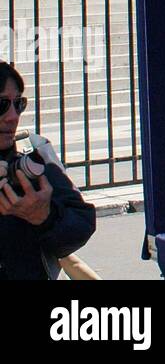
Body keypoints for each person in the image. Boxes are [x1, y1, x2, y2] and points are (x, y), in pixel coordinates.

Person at [0, 63, 95, 280]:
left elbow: (82, 224)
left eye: (18, 104)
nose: (12, 116)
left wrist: (46, 217)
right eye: (2, 104)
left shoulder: (33, 157)